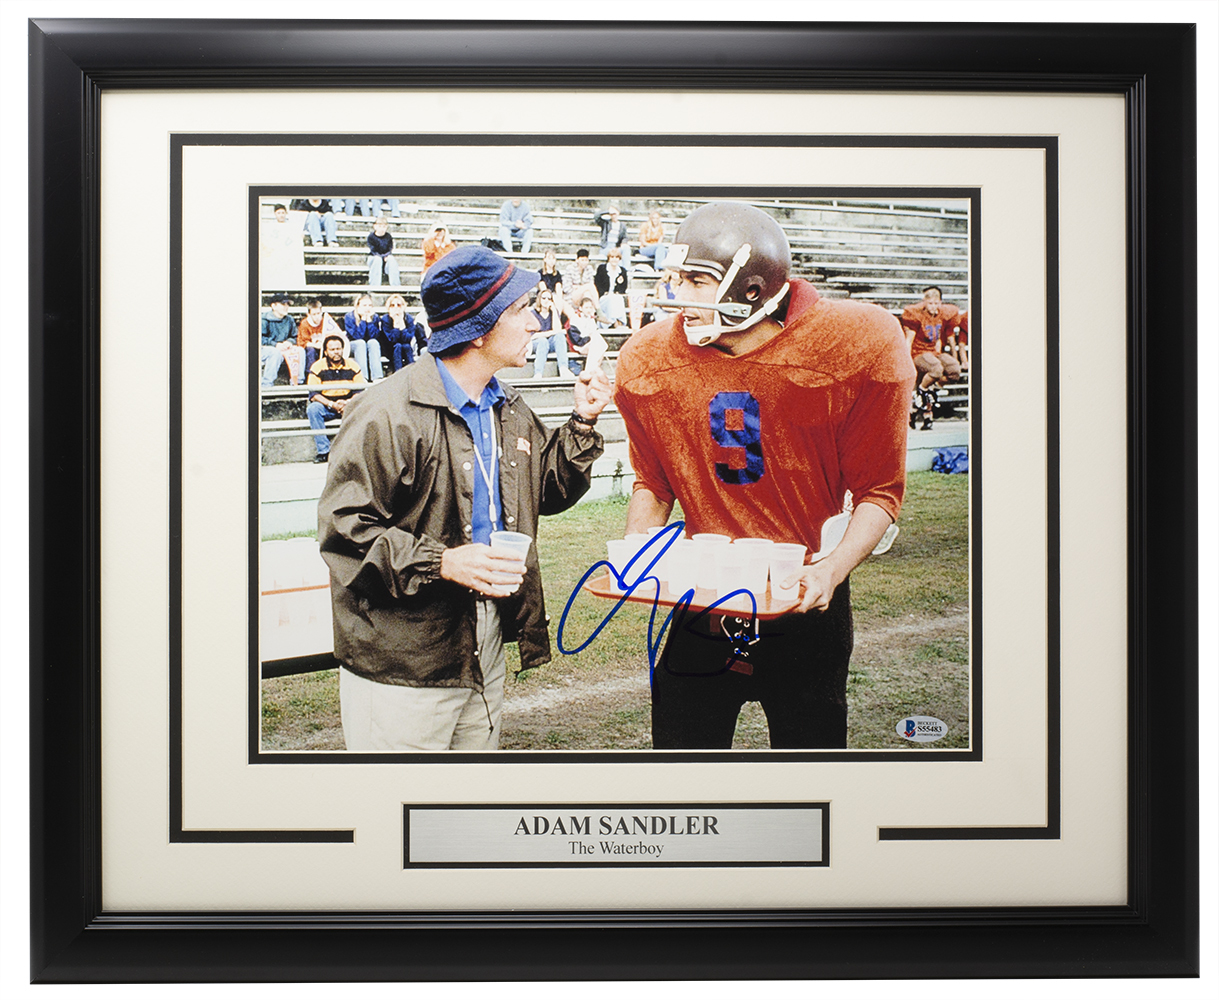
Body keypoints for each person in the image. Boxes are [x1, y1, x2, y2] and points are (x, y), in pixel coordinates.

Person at [614, 202, 916, 750]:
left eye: (697, 280)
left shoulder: (853, 341)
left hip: (804, 596)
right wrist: (636, 551)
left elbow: (879, 493)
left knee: (809, 768)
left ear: (751, 289)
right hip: (704, 598)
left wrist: (831, 571)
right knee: (681, 766)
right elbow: (654, 485)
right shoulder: (650, 356)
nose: (678, 294)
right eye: (677, 277)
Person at [317, 245, 611, 751]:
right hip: (403, 663)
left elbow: (545, 491)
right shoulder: (385, 412)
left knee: (468, 794)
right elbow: (345, 532)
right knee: (397, 797)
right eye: (521, 310)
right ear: (478, 329)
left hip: (484, 642)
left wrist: (582, 422)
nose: (536, 323)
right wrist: (444, 562)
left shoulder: (507, 405)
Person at [899, 285, 964, 430]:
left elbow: (940, 337)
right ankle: (923, 394)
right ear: (924, 303)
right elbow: (909, 339)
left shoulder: (942, 314)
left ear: (940, 303)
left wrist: (944, 354)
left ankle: (926, 392)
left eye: (936, 303)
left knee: (954, 370)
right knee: (936, 369)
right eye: (930, 303)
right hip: (918, 353)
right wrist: (905, 360)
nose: (933, 306)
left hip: (932, 353)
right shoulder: (917, 315)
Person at [306, 334, 365, 464]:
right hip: (327, 405)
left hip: (348, 404)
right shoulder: (317, 366)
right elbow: (314, 394)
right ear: (326, 352)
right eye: (332, 350)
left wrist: (347, 403)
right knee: (313, 409)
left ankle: (355, 451)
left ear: (343, 349)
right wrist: (332, 404)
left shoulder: (353, 365)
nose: (336, 352)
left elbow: (359, 391)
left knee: (363, 407)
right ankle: (324, 452)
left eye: (338, 349)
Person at [528, 287, 576, 379]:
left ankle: (563, 369)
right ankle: (538, 373)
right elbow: (533, 335)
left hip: (549, 342)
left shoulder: (553, 312)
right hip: (536, 343)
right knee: (542, 341)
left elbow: (557, 330)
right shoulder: (533, 313)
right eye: (544, 298)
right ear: (539, 299)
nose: (546, 300)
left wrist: (554, 310)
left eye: (549, 298)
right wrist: (551, 333)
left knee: (560, 336)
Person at [260, 293, 305, 386]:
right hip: (265, 348)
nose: (286, 307)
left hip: (284, 348)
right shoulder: (264, 319)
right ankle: (267, 383)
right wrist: (275, 344)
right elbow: (259, 338)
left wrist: (289, 342)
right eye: (283, 304)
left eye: (287, 304)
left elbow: (295, 336)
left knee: (300, 350)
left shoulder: (289, 319)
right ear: (274, 306)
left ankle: (298, 382)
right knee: (275, 353)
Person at [377, 293, 427, 373]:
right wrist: (396, 325)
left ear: (403, 307)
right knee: (398, 346)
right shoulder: (385, 320)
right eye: (392, 305)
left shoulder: (409, 319)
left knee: (406, 346)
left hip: (405, 347)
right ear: (388, 308)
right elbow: (392, 339)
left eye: (399, 305)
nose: (396, 308)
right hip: (389, 349)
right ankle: (398, 373)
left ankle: (412, 372)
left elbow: (407, 339)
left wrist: (402, 325)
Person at [259, 203, 305, 289]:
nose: (281, 215)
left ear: (286, 213)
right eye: (279, 213)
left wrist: (300, 236)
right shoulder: (270, 227)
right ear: (275, 214)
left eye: (283, 213)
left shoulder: (291, 226)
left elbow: (296, 237)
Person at [296, 298, 347, 372]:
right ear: (308, 314)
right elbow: (302, 342)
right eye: (314, 314)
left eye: (318, 313)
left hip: (324, 346)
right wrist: (315, 345)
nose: (317, 316)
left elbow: (335, 333)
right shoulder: (305, 324)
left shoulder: (326, 322)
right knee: (311, 350)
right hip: (311, 349)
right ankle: (311, 372)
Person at [565, 296, 609, 377]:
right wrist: (589, 338)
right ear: (581, 308)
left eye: (590, 307)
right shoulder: (575, 319)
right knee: (598, 343)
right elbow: (576, 339)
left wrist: (591, 337)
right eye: (586, 307)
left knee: (602, 345)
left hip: (591, 343)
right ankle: (589, 371)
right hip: (579, 345)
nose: (589, 310)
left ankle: (593, 370)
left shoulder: (591, 319)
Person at [344, 293, 383, 383]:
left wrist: (369, 321)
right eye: (364, 305)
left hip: (368, 344)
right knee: (360, 343)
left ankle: (377, 377)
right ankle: (362, 377)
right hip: (353, 345)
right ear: (358, 306)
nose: (367, 308)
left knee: (373, 342)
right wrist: (362, 321)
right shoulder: (349, 317)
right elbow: (357, 336)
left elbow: (375, 336)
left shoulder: (375, 317)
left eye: (370, 305)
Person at [594, 247, 629, 327]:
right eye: (612, 257)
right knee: (610, 299)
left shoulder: (622, 271)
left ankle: (619, 322)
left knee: (618, 298)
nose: (614, 259)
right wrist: (604, 293)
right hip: (603, 297)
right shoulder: (602, 269)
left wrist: (617, 292)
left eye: (616, 257)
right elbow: (597, 284)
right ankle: (612, 322)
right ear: (609, 258)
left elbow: (623, 287)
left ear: (619, 259)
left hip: (616, 297)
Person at [366, 216, 401, 287]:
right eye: (380, 226)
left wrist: (386, 256)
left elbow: (390, 249)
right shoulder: (371, 237)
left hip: (385, 257)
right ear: (375, 226)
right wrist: (382, 257)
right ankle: (374, 285)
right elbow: (373, 250)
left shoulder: (388, 236)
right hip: (374, 257)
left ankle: (396, 285)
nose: (382, 229)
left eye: (384, 227)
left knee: (391, 259)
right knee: (377, 259)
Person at [636, 209, 668, 273]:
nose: (655, 220)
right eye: (653, 218)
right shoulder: (645, 226)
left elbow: (659, 242)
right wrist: (653, 246)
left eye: (657, 218)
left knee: (666, 251)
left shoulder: (661, 228)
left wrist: (656, 246)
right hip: (645, 248)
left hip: (656, 248)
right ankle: (658, 267)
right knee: (660, 247)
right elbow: (643, 242)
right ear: (651, 219)